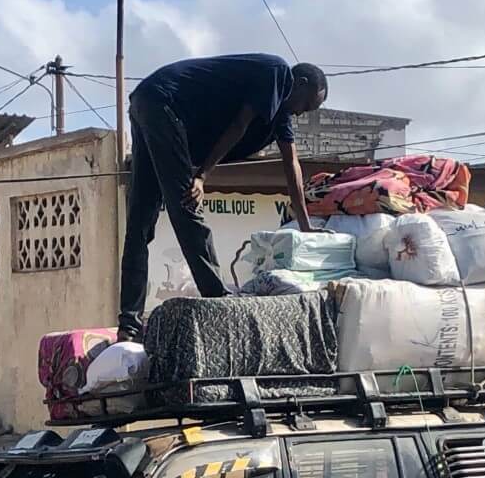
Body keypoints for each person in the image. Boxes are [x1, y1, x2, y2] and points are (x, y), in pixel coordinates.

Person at [117, 54, 328, 340]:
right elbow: (238, 127)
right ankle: (217, 296)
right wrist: (202, 176)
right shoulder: (277, 72)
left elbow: (291, 165)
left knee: (140, 222)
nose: (303, 113)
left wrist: (305, 227)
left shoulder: (279, 113)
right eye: (307, 105)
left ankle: (128, 326)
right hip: (164, 104)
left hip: (147, 101)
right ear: (300, 83)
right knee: (186, 205)